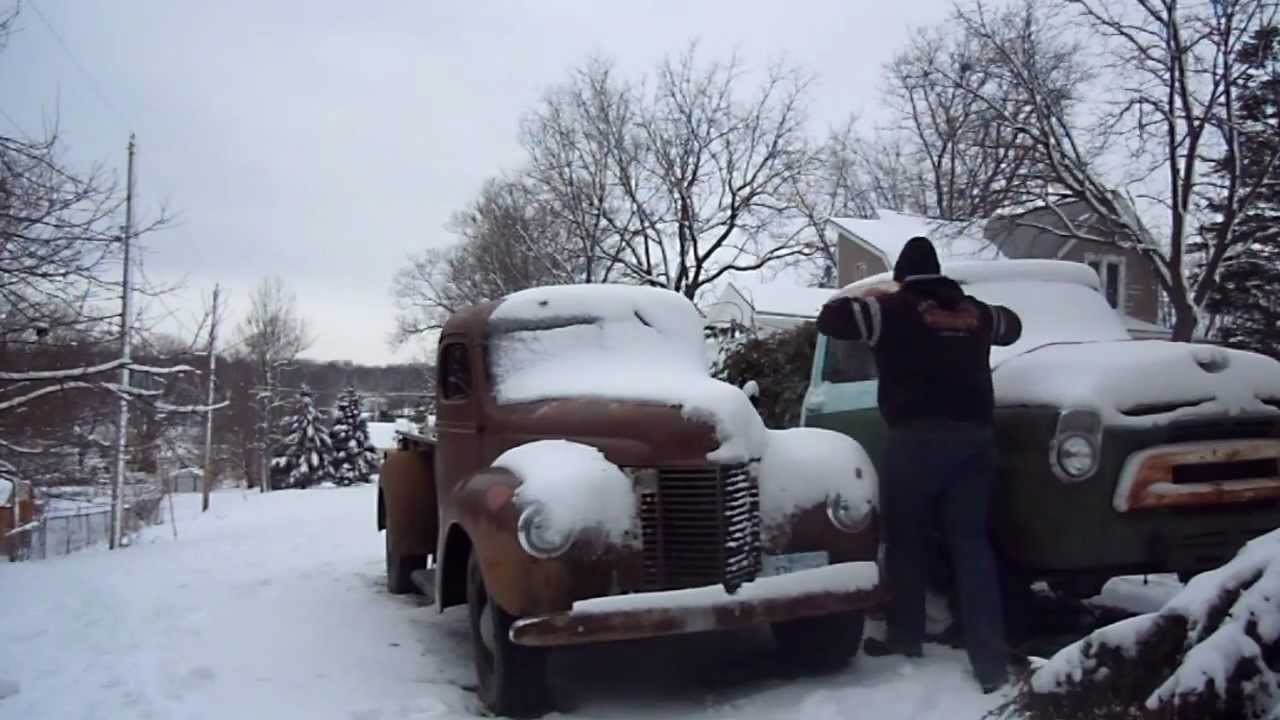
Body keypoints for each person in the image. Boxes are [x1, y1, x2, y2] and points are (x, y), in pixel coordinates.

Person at [815, 236, 1023, 693]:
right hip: (975, 439)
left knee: (905, 539)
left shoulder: (891, 309)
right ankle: (990, 664)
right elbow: (1013, 326)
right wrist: (971, 314)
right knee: (972, 545)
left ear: (902, 277)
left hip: (916, 440)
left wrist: (871, 295)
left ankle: (906, 638)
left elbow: (829, 319)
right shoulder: (975, 312)